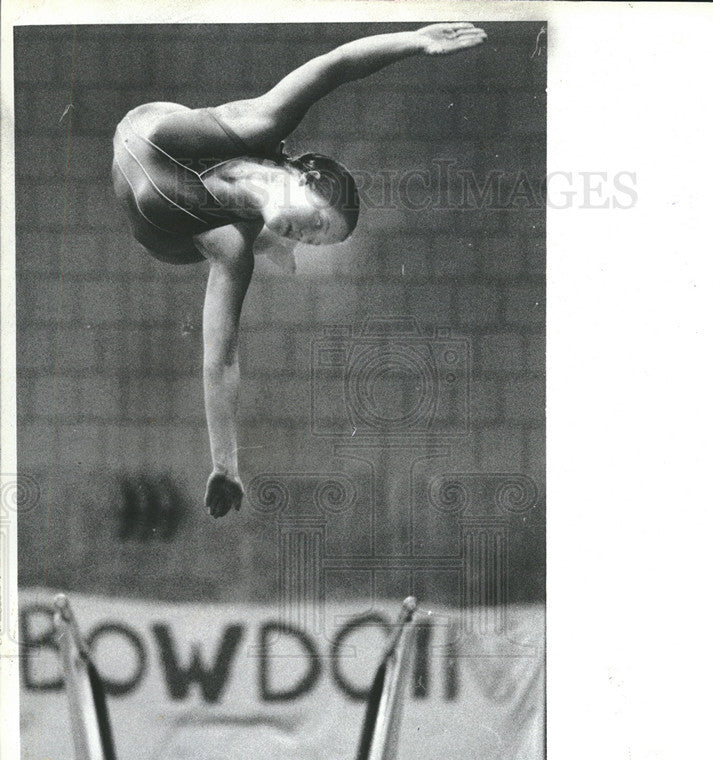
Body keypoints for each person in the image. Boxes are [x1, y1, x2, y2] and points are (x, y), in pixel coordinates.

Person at [111, 23, 487, 518]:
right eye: (311, 222)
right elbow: (336, 65)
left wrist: (225, 465)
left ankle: (267, 235)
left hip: (172, 225)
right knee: (239, 218)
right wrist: (415, 40)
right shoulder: (261, 124)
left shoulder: (230, 249)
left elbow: (219, 359)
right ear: (301, 174)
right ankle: (269, 218)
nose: (303, 232)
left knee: (230, 243)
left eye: (308, 239)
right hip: (157, 140)